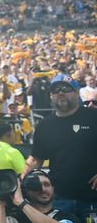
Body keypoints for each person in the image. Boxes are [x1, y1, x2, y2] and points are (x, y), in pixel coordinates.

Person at [23, 75, 97, 221]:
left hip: (93, 197)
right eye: (56, 90)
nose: (60, 92)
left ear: (76, 93)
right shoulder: (45, 126)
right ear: (51, 96)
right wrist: (20, 180)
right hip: (60, 198)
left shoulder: (94, 117)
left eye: (66, 88)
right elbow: (36, 158)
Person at [0, 170, 80, 223]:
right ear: (25, 190)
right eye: (35, 185)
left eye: (47, 184)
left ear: (53, 188)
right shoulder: (16, 218)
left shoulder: (66, 217)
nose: (42, 189)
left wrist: (21, 202)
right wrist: (0, 207)